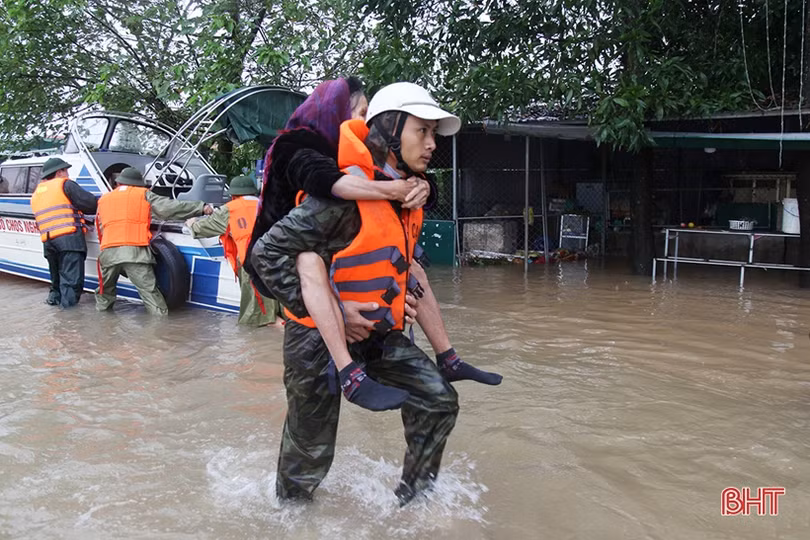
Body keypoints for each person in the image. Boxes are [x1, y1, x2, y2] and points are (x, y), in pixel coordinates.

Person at [252, 82, 475, 505]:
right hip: (314, 339)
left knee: (438, 398)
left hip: (375, 332)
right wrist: (336, 313)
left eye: (434, 134)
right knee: (309, 450)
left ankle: (414, 499)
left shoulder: (404, 193)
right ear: (389, 131)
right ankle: (292, 519)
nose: (432, 145)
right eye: (422, 132)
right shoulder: (340, 198)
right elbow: (266, 253)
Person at [245, 76, 501, 410]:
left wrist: (423, 187)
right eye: (362, 114)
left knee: (414, 270)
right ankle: (349, 374)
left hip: (358, 306)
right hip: (296, 288)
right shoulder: (301, 149)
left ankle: (447, 359)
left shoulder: (369, 166)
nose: (366, 125)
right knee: (309, 439)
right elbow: (329, 183)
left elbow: (388, 191)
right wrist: (394, 190)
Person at [94, 167, 212, 315]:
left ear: (118, 183)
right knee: (150, 296)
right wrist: (200, 208)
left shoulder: (103, 199)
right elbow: (169, 208)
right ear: (138, 184)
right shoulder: (143, 195)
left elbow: (99, 228)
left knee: (104, 294)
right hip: (135, 253)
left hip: (108, 253)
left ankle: (101, 323)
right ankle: (159, 326)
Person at [185, 175, 281, 326]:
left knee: (258, 315)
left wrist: (192, 224)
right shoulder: (268, 205)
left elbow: (203, 228)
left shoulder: (230, 209)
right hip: (277, 259)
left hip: (251, 261)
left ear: (233, 195)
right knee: (279, 304)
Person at [30, 157, 98, 308]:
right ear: (59, 172)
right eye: (66, 170)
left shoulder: (37, 193)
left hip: (48, 242)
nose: (67, 174)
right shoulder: (65, 184)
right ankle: (69, 318)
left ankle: (55, 311)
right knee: (71, 284)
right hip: (69, 240)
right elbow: (91, 204)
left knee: (56, 284)